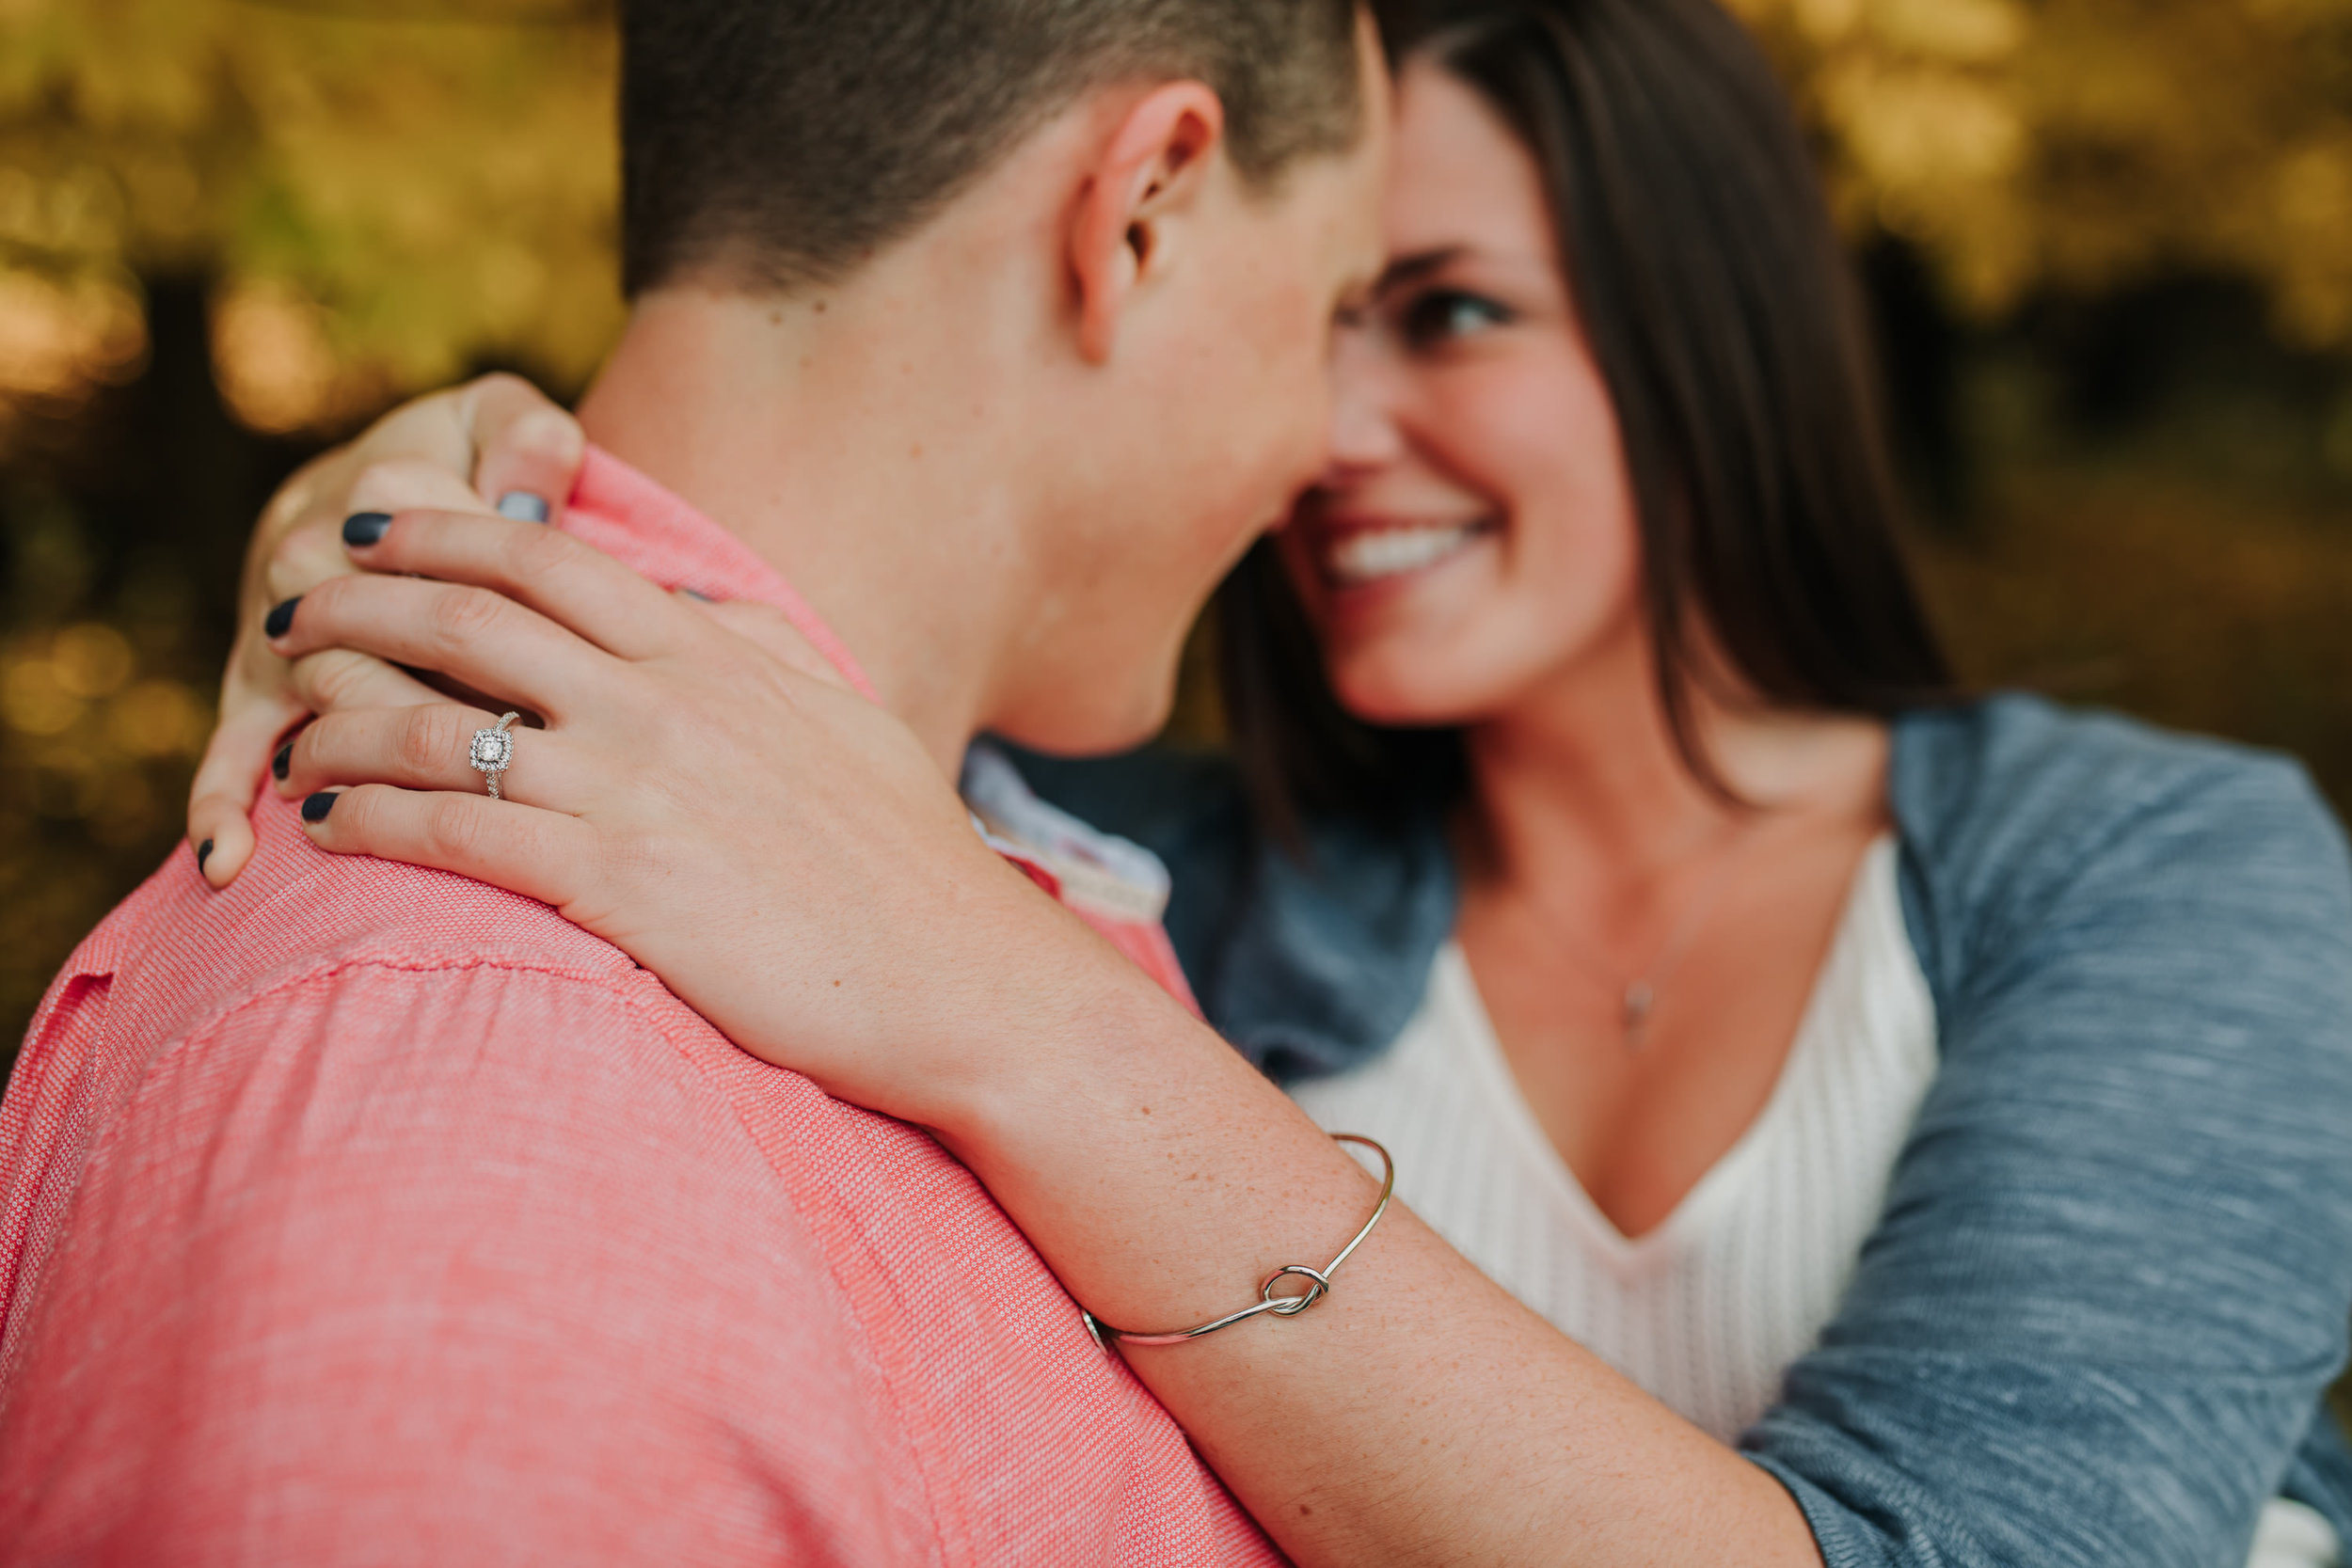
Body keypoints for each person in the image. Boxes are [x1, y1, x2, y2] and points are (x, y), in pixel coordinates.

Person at [170, 0, 2352, 1565]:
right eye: (1322, 321)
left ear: (1705, 345)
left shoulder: (2166, 873)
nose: (1333, 432)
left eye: (1449, 316)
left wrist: (1018, 1007)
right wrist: (442, 510)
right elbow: (765, 619)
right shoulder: (1141, 873)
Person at [0, 2, 1395, 1561]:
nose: (1342, 444)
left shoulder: (949, 899)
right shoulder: (486, 1085)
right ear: (1143, 207)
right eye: (1339, 306)